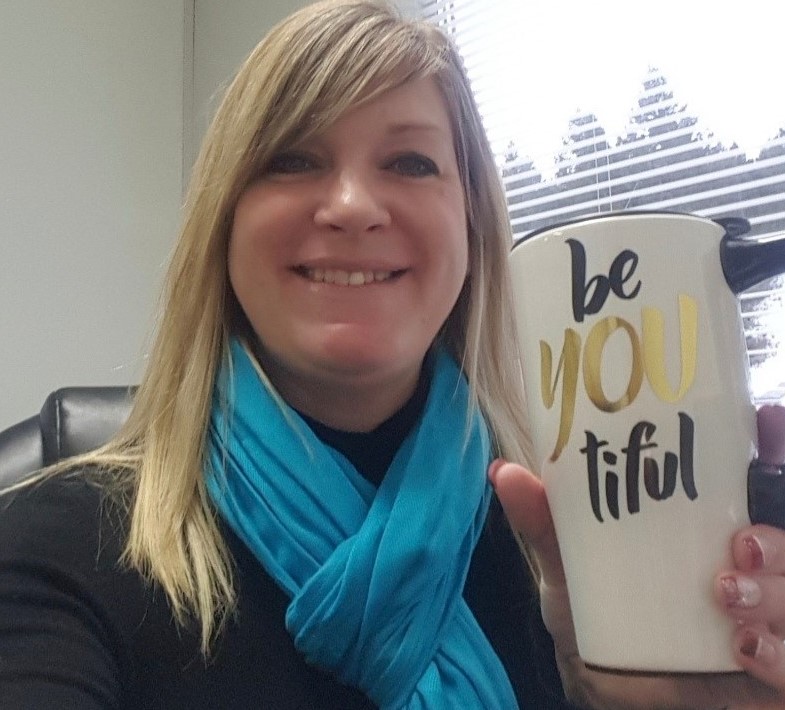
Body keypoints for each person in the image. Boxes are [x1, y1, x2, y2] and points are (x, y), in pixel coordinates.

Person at [1, 1, 784, 708]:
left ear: (471, 228)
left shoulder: (570, 541)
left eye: (410, 163)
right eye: (292, 158)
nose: (350, 206)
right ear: (223, 223)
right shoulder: (56, 548)